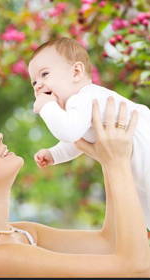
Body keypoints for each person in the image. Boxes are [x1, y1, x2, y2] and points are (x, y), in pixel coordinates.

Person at [0, 97, 149, 278]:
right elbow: (135, 272)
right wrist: (117, 163)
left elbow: (110, 244)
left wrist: (108, 160)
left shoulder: (22, 233)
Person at [28, 37, 150, 229]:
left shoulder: (84, 97)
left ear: (76, 72)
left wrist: (46, 107)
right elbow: (76, 141)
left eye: (45, 74)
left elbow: (69, 132)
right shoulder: (80, 109)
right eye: (34, 82)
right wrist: (54, 154)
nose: (37, 85)